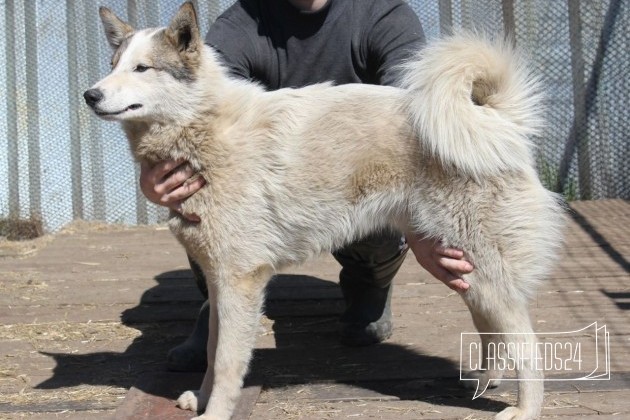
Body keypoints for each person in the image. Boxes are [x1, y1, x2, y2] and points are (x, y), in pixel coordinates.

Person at [139, 0, 473, 372]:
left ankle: (369, 286)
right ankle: (220, 305)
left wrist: (420, 226)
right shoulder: (242, 23)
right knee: (203, 200)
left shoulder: (383, 14)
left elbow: (412, 129)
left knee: (380, 191)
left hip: (357, 180)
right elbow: (196, 106)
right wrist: (154, 180)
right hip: (273, 187)